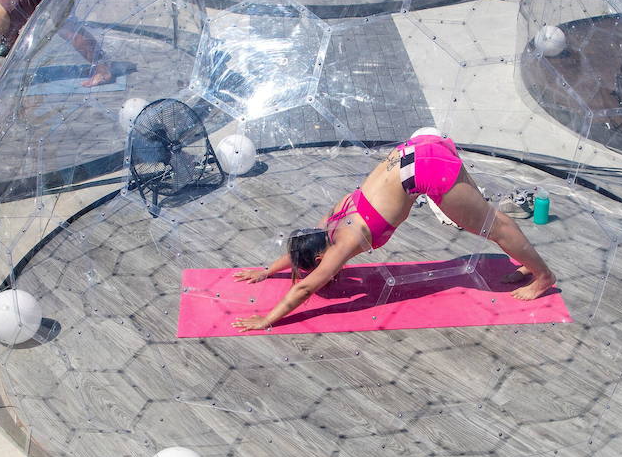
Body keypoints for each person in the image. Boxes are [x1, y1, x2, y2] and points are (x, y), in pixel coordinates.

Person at [230, 133, 556, 331]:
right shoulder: (330, 221)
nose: (318, 274)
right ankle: (528, 262)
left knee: (494, 228)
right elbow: (297, 249)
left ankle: (543, 277)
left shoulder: (344, 242)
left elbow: (304, 290)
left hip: (425, 170)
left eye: (312, 266)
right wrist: (266, 272)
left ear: (321, 256)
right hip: (414, 151)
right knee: (492, 221)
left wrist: (266, 319)